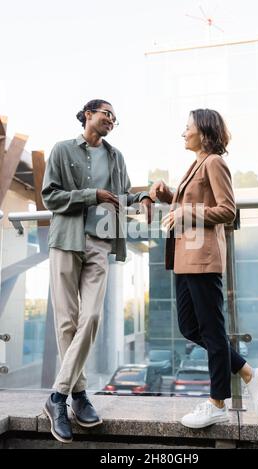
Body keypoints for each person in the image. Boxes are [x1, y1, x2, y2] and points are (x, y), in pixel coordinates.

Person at [149, 108, 258, 429]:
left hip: (203, 259)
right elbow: (189, 204)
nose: (183, 132)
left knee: (212, 331)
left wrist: (184, 210)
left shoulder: (215, 162)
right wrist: (166, 195)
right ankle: (247, 373)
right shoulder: (197, 164)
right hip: (185, 259)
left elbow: (227, 210)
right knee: (190, 327)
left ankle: (218, 402)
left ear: (203, 132)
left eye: (187, 127)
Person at [42, 99, 152, 443]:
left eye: (115, 119)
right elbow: (51, 197)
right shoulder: (61, 150)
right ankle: (78, 395)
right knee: (66, 322)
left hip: (101, 243)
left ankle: (57, 397)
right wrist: (92, 195)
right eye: (107, 114)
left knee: (91, 318)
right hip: (66, 241)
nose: (111, 121)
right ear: (88, 115)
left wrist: (145, 196)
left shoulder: (116, 156)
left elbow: (121, 197)